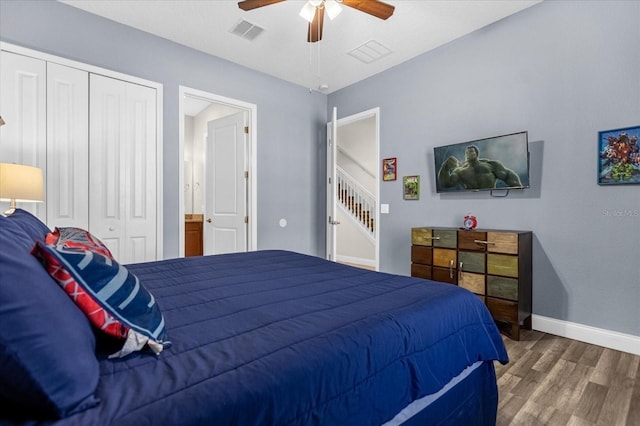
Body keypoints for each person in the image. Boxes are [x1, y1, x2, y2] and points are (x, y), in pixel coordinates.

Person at [438, 145, 522, 190]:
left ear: (477, 154)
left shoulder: (491, 165)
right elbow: (446, 184)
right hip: (469, 201)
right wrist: (445, 168)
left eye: (471, 152)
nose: (468, 154)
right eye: (466, 153)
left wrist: (518, 188)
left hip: (492, 200)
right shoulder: (460, 171)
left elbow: (508, 175)